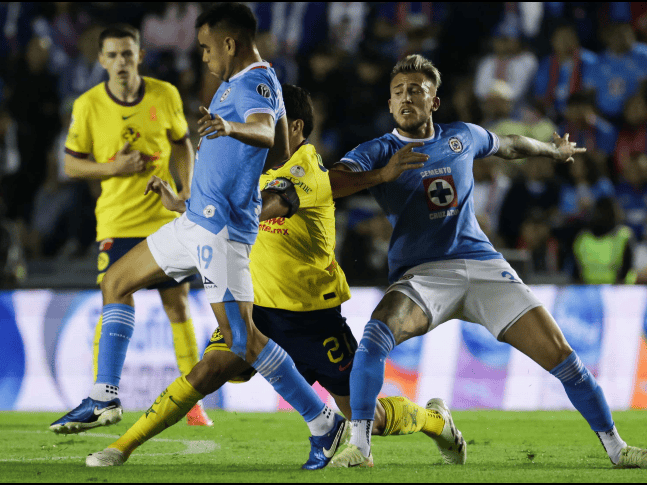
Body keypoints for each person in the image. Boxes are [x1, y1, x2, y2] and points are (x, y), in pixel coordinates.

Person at [85, 83, 465, 469]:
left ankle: (435, 420)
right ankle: (122, 448)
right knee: (207, 372)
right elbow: (222, 211)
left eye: (268, 118)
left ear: (294, 126)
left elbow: (264, 209)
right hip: (258, 307)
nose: (258, 125)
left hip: (310, 319)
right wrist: (185, 205)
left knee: (368, 418)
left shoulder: (305, 169)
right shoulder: (257, 165)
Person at [328, 54, 647, 469]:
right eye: (398, 92)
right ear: (390, 104)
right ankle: (361, 449)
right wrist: (381, 176)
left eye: (416, 91)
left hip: (482, 265)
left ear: (434, 102)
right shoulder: (379, 151)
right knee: (374, 338)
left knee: (563, 356)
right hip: (422, 276)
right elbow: (331, 182)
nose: (407, 97)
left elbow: (511, 145)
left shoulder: (461, 136)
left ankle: (617, 448)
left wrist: (552, 150)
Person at [84, 3, 344, 469]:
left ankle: (322, 420)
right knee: (115, 282)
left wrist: (230, 127)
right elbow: (277, 150)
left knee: (241, 341)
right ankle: (104, 397)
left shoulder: (257, 82)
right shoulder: (235, 84)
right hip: (194, 222)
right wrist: (186, 199)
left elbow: (266, 134)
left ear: (230, 43)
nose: (203, 57)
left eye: (206, 47)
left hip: (221, 233)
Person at [49, 23, 211, 433]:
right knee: (114, 295)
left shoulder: (164, 94)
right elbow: (69, 164)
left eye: (127, 53)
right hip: (117, 221)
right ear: (101, 60)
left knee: (176, 303)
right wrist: (112, 168)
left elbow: (182, 141)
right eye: (113, 55)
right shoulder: (87, 105)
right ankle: (101, 393)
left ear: (139, 56)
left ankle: (192, 402)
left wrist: (187, 189)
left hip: (162, 219)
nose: (121, 62)